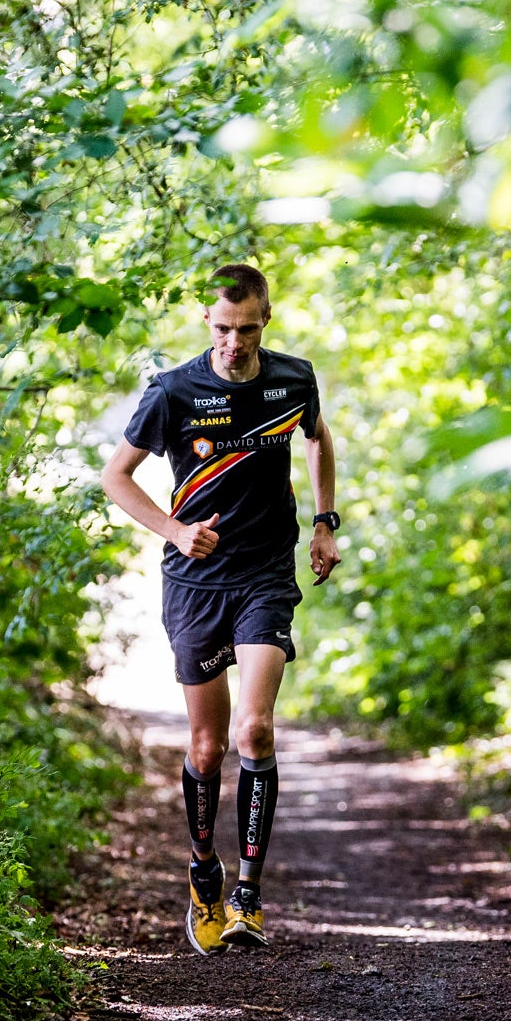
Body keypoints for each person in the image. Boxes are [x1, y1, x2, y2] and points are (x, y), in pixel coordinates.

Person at [101, 263, 342, 953]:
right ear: (206, 323)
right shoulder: (173, 390)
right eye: (222, 329)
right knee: (206, 748)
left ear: (267, 318)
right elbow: (115, 476)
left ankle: (248, 897)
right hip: (196, 581)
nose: (234, 342)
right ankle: (204, 871)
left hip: (265, 573)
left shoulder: (294, 379)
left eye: (247, 328)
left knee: (253, 733)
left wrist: (325, 523)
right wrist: (175, 529)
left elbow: (319, 438)